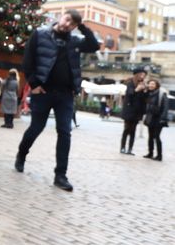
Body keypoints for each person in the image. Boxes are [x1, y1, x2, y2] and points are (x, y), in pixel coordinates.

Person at [14, 10, 99, 192]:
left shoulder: (75, 41)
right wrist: (34, 84)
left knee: (64, 132)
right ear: (62, 16)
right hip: (43, 91)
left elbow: (94, 46)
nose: (68, 24)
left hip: (65, 94)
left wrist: (82, 27)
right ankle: (21, 154)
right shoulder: (40, 34)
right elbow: (28, 61)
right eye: (67, 19)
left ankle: (60, 175)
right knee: (36, 128)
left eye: (73, 24)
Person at [120, 67, 147, 155]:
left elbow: (144, 100)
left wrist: (145, 91)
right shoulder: (130, 83)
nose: (143, 76)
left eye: (144, 75)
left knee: (133, 131)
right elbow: (130, 94)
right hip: (129, 110)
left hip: (137, 111)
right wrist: (137, 89)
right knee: (126, 129)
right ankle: (122, 148)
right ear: (137, 74)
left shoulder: (143, 85)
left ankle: (130, 149)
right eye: (141, 74)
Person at [143, 79, 168, 161]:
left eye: (153, 84)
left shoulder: (161, 93)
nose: (151, 85)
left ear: (157, 85)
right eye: (150, 84)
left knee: (157, 137)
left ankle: (159, 155)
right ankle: (150, 153)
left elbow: (165, 107)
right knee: (150, 136)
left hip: (159, 118)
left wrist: (163, 118)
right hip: (150, 118)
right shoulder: (149, 93)